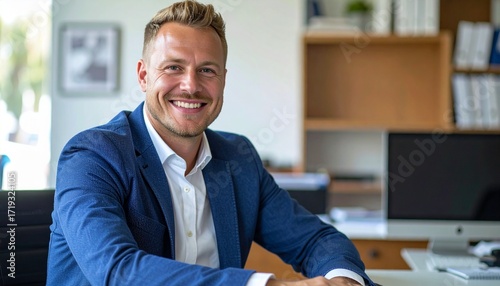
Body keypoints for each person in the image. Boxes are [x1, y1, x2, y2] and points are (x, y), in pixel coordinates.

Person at [47, 1, 376, 285]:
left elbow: (315, 240)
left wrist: (343, 281)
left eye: (207, 70)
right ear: (144, 76)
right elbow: (117, 272)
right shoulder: (92, 157)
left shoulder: (239, 158)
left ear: (223, 80)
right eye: (174, 67)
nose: (191, 86)